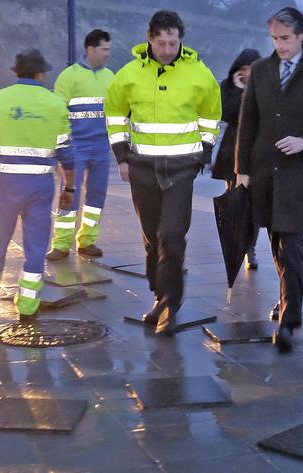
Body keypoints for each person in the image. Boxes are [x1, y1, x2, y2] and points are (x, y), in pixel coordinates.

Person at [235, 7, 303, 352]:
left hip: (298, 171)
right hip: (264, 170)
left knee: (292, 240)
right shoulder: (262, 70)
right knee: (275, 241)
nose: (280, 45)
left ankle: (289, 316)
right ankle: (287, 302)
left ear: (302, 36)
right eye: (275, 38)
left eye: (286, 38)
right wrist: (242, 171)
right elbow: (247, 123)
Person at [105, 10, 221, 336]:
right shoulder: (128, 75)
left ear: (180, 39)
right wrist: (122, 157)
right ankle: (159, 297)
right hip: (142, 169)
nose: (168, 49)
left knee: (171, 235)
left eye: (174, 42)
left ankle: (172, 303)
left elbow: (211, 116)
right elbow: (114, 115)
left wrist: (204, 153)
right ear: (150, 39)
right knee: (151, 238)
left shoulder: (199, 74)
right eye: (162, 43)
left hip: (182, 169)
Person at [0, 49, 76, 319]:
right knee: (36, 246)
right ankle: (28, 306)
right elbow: (67, 154)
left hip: (5, 185)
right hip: (41, 186)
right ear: (40, 74)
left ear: (17, 73)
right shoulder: (55, 104)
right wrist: (69, 189)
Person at [46, 29, 115, 261]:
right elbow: (58, 113)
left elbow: (116, 111)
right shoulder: (69, 76)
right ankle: (61, 244)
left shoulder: (110, 78)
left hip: (101, 146)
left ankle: (87, 241)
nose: (107, 54)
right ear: (90, 49)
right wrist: (61, 148)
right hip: (76, 146)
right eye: (104, 49)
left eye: (108, 49)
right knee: (70, 195)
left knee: (96, 196)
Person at [211, 48, 261, 269]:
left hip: (256, 152)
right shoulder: (228, 86)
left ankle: (250, 247)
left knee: (253, 204)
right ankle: (235, 244)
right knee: (235, 200)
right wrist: (240, 91)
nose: (246, 73)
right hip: (232, 152)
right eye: (243, 69)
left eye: (250, 69)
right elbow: (226, 114)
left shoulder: (264, 87)